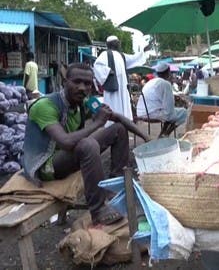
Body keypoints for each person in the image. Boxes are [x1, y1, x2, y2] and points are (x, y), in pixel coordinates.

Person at [21, 63, 149, 226]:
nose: (82, 88)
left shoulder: (86, 102)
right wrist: (97, 123)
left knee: (118, 129)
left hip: (67, 156)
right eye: (77, 82)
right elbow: (66, 142)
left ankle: (114, 189)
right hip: (46, 164)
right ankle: (98, 210)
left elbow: (116, 117)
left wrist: (146, 137)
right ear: (65, 82)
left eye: (87, 84)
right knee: (88, 145)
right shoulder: (45, 105)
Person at [93, 35, 147, 125]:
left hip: (122, 87)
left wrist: (142, 51)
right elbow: (97, 65)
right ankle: (111, 125)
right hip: (112, 87)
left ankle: (123, 123)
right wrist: (108, 71)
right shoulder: (105, 54)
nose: (119, 44)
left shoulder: (121, 55)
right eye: (117, 42)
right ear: (112, 44)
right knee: (112, 105)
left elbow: (134, 58)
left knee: (123, 107)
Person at [137, 63, 187, 136]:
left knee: (169, 113)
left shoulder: (150, 82)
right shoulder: (165, 84)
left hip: (141, 112)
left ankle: (163, 133)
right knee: (183, 112)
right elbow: (169, 107)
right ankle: (166, 134)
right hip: (151, 114)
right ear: (168, 73)